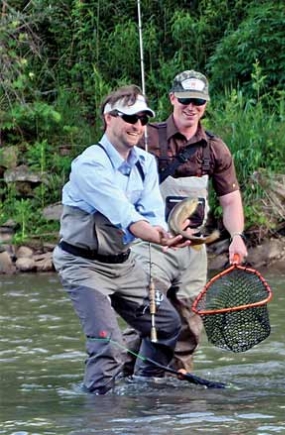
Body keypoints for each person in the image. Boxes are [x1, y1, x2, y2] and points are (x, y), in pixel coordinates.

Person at [52, 85, 187, 394]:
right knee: (109, 347)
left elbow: (152, 214)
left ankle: (145, 390)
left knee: (166, 325)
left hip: (124, 266)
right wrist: (158, 237)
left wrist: (167, 233)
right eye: (130, 118)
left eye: (143, 119)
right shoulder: (89, 165)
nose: (138, 126)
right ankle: (101, 416)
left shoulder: (146, 163)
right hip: (82, 266)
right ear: (108, 118)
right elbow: (124, 214)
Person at [128, 70, 248, 373]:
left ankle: (179, 377)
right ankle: (125, 372)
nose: (191, 107)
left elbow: (230, 199)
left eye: (198, 101)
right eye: (185, 100)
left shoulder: (215, 148)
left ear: (205, 104)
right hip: (152, 242)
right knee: (147, 313)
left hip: (193, 248)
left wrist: (236, 236)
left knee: (190, 320)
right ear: (172, 98)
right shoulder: (146, 137)